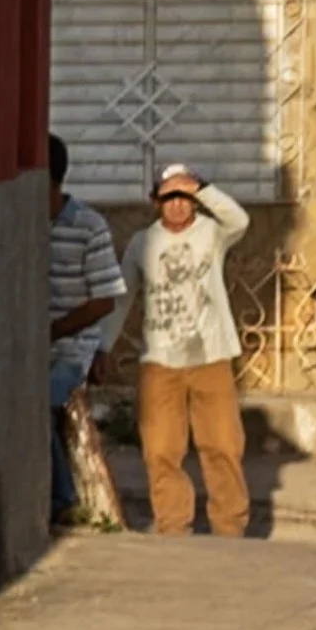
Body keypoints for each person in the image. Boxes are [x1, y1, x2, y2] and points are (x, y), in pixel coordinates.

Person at [119, 164, 252, 536]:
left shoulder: (211, 232)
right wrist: (99, 347)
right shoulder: (143, 243)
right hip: (161, 361)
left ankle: (230, 528)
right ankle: (174, 526)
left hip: (211, 356)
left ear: (194, 200)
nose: (177, 206)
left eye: (184, 198)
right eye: (169, 197)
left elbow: (239, 220)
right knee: (161, 450)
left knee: (222, 445)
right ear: (155, 201)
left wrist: (202, 187)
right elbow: (122, 298)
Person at [47, 135, 126, 520]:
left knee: (41, 403)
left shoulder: (88, 225)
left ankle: (62, 500)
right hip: (32, 346)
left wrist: (54, 331)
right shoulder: (22, 224)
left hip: (72, 347)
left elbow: (105, 300)